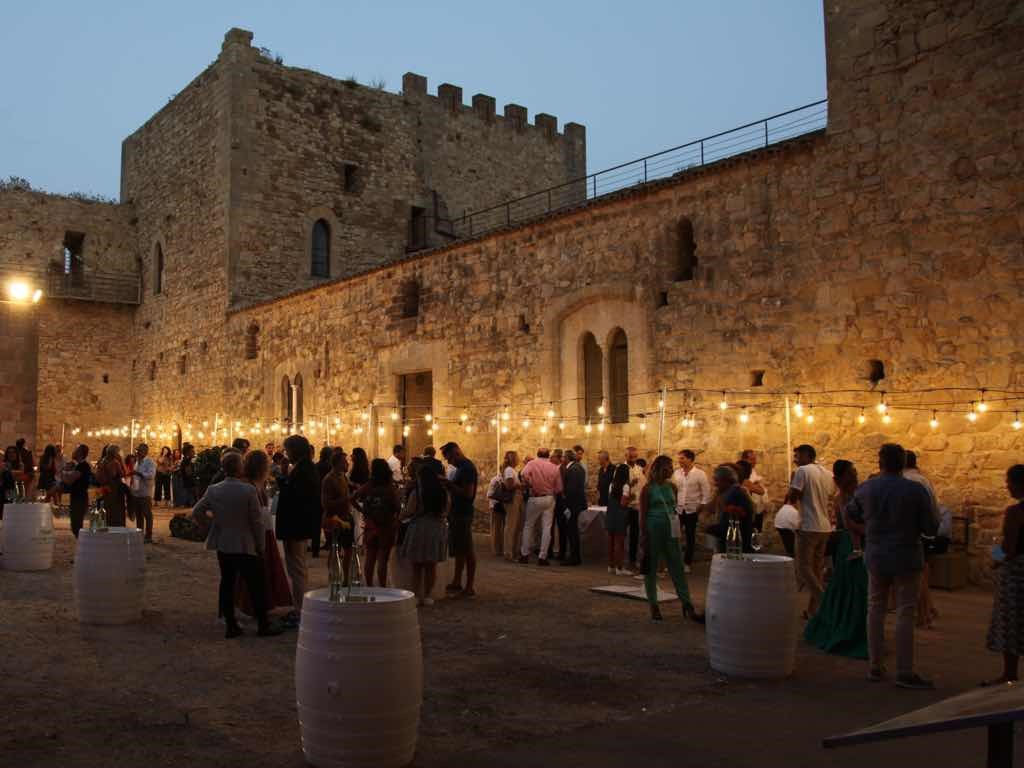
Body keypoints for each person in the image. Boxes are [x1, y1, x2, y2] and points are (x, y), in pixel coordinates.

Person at [848, 443, 938, 689]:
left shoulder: (866, 488)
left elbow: (851, 513)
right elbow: (931, 526)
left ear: (880, 462)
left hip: (876, 553)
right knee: (905, 612)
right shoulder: (915, 490)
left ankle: (875, 666)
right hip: (907, 555)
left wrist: (867, 529)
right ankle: (904, 671)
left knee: (875, 608)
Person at [192, 451, 282, 639]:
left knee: (227, 583)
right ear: (239, 467)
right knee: (256, 584)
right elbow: (256, 521)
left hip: (224, 543)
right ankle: (263, 624)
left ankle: (231, 625)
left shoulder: (214, 489)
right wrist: (260, 544)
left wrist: (213, 525)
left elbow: (197, 511)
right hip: (246, 543)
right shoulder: (247, 490)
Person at [805, 459, 869, 659]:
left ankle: (858, 628)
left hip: (856, 543)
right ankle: (846, 629)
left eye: (855, 472)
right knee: (850, 587)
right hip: (850, 545)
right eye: (851, 473)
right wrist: (859, 545)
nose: (855, 476)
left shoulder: (858, 494)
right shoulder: (843, 498)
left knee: (858, 588)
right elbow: (850, 526)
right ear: (840, 478)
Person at [640, 455, 698, 621]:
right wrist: (643, 536)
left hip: (670, 529)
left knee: (677, 565)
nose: (672, 469)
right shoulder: (648, 489)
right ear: (661, 468)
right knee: (651, 567)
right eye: (669, 466)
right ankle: (653, 605)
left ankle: (687, 604)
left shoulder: (672, 487)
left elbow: (674, 508)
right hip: (653, 528)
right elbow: (643, 515)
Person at [237, 449, 293, 616]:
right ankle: (255, 607)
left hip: (265, 529)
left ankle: (262, 604)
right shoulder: (250, 485)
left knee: (264, 569)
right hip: (258, 531)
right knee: (257, 569)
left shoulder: (256, 484)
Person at [983, 465, 1024, 686]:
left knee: (1011, 621)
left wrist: (994, 558)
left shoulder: (1015, 512)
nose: (1007, 486)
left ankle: (1010, 673)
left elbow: (1009, 548)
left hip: (1017, 574)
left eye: (1009, 481)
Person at [275, 434, 321, 628]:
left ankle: (300, 610)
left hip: (296, 525)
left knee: (297, 569)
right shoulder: (305, 468)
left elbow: (295, 497)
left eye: (287, 450)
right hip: (298, 524)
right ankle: (299, 607)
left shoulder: (304, 470)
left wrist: (282, 476)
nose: (286, 454)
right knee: (296, 568)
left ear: (295, 450)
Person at [786, 444, 835, 619]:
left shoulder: (802, 471)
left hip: (809, 526)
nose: (795, 459)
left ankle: (825, 601)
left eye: (797, 456)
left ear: (808, 455)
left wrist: (791, 487)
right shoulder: (828, 474)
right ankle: (813, 611)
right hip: (825, 527)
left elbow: (793, 497)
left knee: (803, 569)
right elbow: (831, 496)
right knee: (816, 570)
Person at [402, 461, 451, 605]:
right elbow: (446, 511)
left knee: (417, 566)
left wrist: (400, 516)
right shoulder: (443, 493)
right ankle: (428, 595)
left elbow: (410, 510)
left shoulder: (417, 492)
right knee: (431, 565)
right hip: (436, 528)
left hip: (419, 527)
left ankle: (416, 595)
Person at [904, 450, 940, 629]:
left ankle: (924, 615)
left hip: (908, 535)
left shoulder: (905, 481)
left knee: (917, 578)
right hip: (923, 534)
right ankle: (927, 611)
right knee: (921, 575)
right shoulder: (924, 480)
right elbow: (934, 510)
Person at [353, 458, 401, 587]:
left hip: (371, 525)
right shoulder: (389, 488)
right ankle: (382, 587)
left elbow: (352, 498)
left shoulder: (368, 486)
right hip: (386, 525)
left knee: (370, 557)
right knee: (382, 560)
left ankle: (369, 586)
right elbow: (397, 507)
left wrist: (363, 510)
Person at [440, 442, 479, 596]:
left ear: (456, 452)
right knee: (460, 549)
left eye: (448, 457)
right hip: (458, 513)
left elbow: (468, 494)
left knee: (467, 549)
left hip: (463, 513)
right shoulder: (462, 468)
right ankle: (457, 581)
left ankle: (469, 587)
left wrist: (448, 484)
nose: (448, 461)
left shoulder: (467, 468)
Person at [519, 447, 563, 566]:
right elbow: (559, 488)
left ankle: (524, 554)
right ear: (548, 455)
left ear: (537, 454)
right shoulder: (554, 467)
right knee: (547, 528)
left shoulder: (532, 463)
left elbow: (523, 474)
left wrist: (530, 483)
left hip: (535, 497)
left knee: (528, 525)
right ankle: (542, 557)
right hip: (549, 498)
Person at [672, 449, 710, 573]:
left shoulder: (700, 474)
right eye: (679, 458)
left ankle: (687, 563)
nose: (679, 460)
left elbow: (706, 491)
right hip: (677, 509)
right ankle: (674, 562)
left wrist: (702, 506)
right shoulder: (676, 473)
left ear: (690, 459)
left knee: (690, 537)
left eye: (682, 458)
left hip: (691, 510)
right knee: (674, 536)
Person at [321, 448, 355, 585]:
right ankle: (333, 578)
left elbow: (349, 496)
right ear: (337, 464)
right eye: (344, 461)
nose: (347, 463)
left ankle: (346, 578)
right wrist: (345, 499)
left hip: (346, 517)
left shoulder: (343, 477)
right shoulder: (328, 479)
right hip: (334, 518)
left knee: (348, 549)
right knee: (334, 549)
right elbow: (325, 503)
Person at [706, 465, 755, 553]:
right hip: (732, 538)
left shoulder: (736, 492)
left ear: (726, 480)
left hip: (737, 540)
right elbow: (710, 509)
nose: (715, 484)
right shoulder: (726, 492)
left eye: (717, 480)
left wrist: (731, 510)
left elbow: (743, 514)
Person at [487, 451, 519, 557]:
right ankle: (498, 550)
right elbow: (490, 494)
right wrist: (520, 485)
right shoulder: (498, 478)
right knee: (497, 528)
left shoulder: (509, 472)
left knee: (503, 527)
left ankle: (501, 548)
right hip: (496, 505)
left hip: (502, 503)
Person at [561, 446, 586, 566]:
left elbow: (572, 489)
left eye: (563, 457)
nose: (562, 459)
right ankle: (575, 556)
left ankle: (574, 557)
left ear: (567, 458)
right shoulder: (577, 467)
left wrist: (567, 506)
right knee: (573, 530)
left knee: (572, 531)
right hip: (576, 504)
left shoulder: (573, 469)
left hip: (573, 505)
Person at [606, 463, 631, 574]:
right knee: (619, 542)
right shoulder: (625, 486)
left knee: (611, 541)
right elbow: (623, 502)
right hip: (620, 513)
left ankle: (611, 565)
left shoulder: (612, 484)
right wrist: (632, 496)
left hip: (611, 512)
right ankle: (619, 567)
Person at [129, 443, 157, 542]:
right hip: (137, 491)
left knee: (147, 514)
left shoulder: (150, 462)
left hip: (145, 492)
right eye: (137, 450)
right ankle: (139, 533)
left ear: (145, 451)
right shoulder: (137, 462)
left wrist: (139, 473)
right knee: (139, 514)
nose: (137, 452)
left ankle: (148, 535)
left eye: (139, 450)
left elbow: (151, 475)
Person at [63, 444, 93, 537]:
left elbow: (69, 480)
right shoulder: (78, 465)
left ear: (80, 453)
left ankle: (82, 546)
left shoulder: (83, 466)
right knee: (75, 524)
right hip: (76, 497)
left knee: (76, 525)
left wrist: (63, 473)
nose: (73, 452)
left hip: (80, 498)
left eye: (76, 450)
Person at [95, 444, 128, 526]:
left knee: (105, 509)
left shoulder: (101, 461)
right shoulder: (115, 462)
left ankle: (104, 525)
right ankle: (115, 528)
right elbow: (123, 474)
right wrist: (122, 461)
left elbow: (98, 476)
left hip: (103, 488)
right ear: (115, 453)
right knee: (114, 511)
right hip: (114, 489)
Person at [623, 447, 644, 573]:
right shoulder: (621, 468)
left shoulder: (639, 469)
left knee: (635, 534)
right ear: (626, 456)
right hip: (625, 505)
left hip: (635, 506)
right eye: (631, 457)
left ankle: (632, 559)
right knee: (622, 533)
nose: (633, 459)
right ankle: (621, 560)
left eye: (635, 457)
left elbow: (642, 486)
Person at [740, 449, 768, 531]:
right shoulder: (743, 473)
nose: (755, 462)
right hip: (748, 510)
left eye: (755, 459)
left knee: (757, 532)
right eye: (752, 459)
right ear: (744, 459)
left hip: (758, 509)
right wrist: (755, 485)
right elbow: (759, 490)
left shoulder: (753, 471)